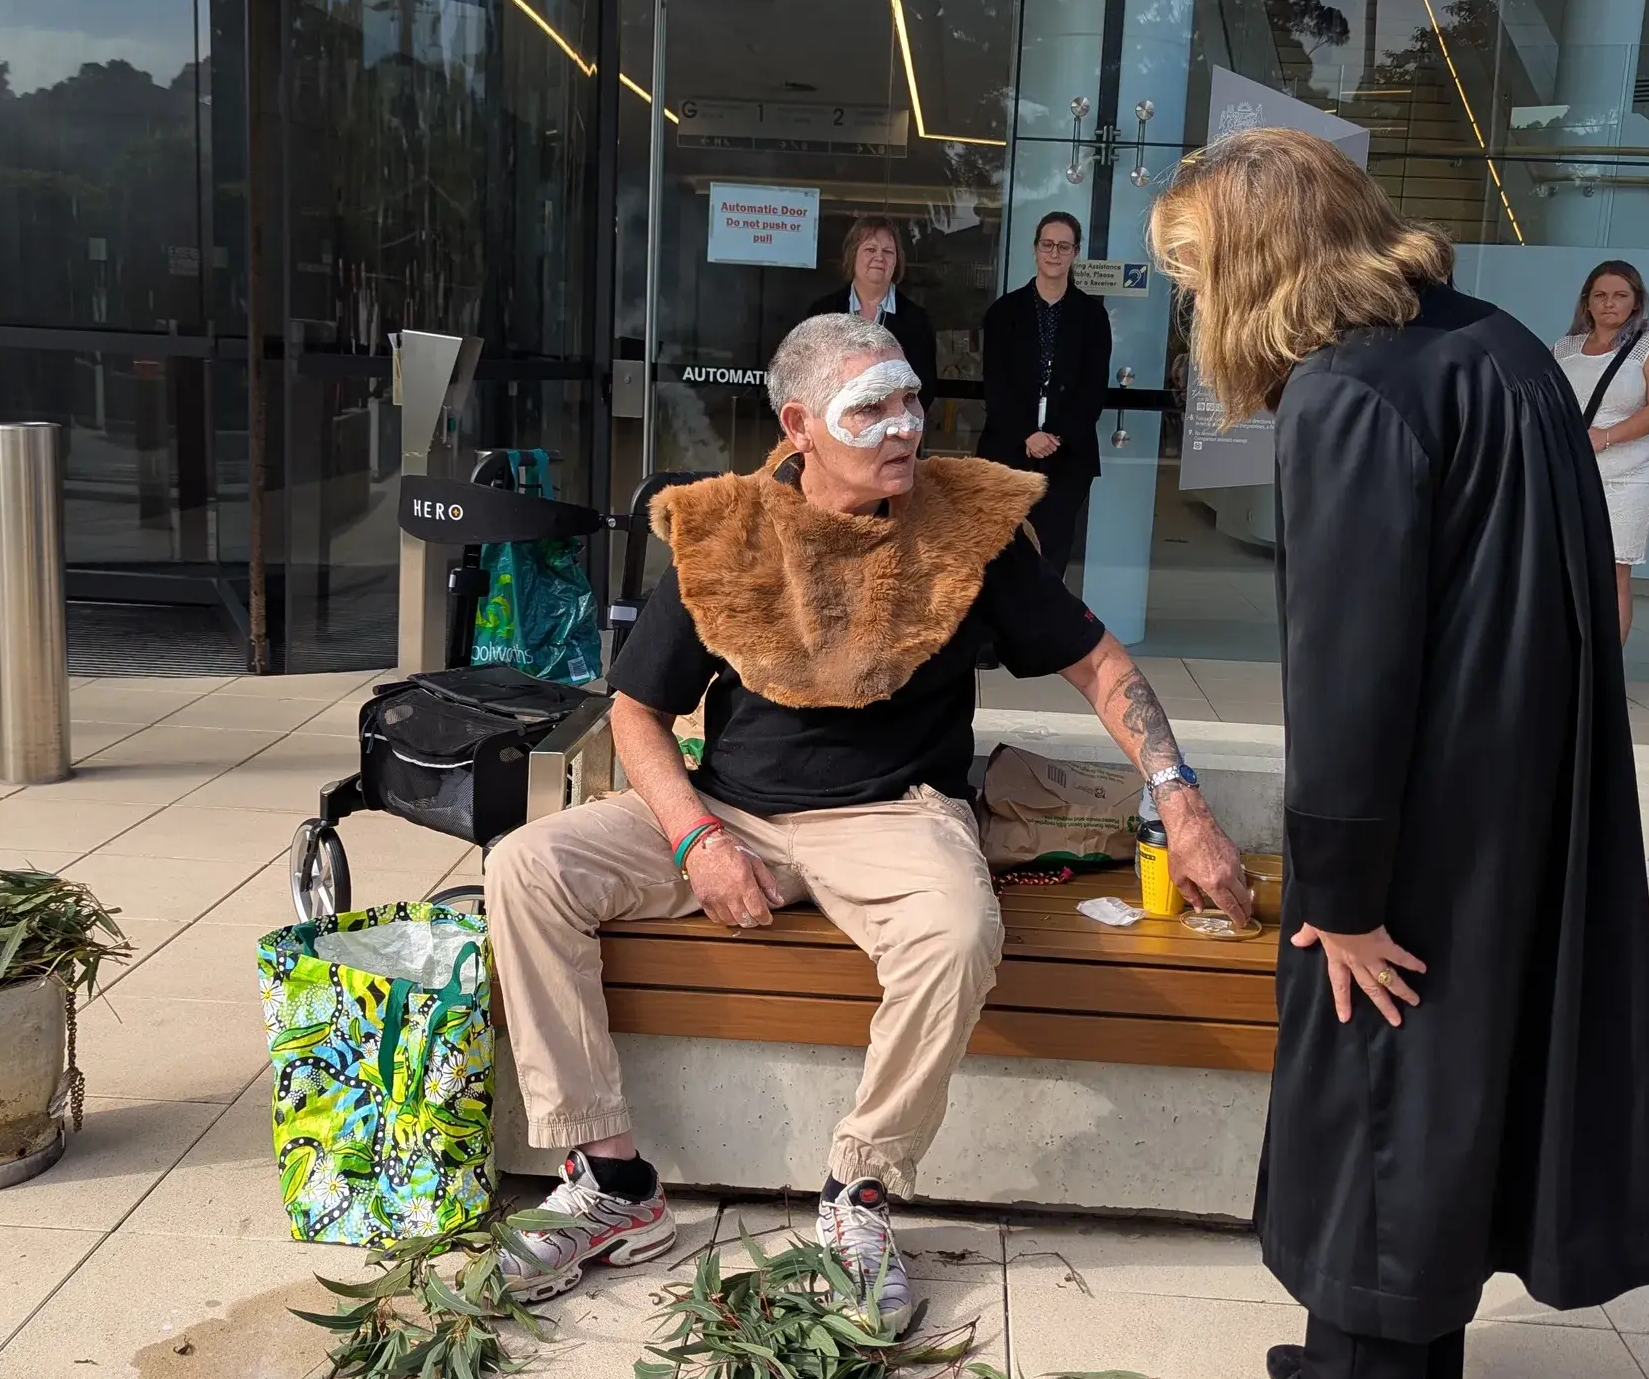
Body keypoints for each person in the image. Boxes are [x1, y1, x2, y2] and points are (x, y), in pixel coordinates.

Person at [485, 313, 1249, 1319]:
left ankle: (860, 1186)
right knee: (526, 866)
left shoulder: (965, 527)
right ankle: (614, 1180)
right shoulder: (726, 532)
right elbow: (636, 711)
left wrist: (1178, 798)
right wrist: (694, 837)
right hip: (728, 810)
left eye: (910, 400)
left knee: (959, 927)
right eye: (871, 407)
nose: (903, 428)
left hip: (894, 814)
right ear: (799, 424)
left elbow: (1101, 663)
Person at [1149, 129, 1649, 1379]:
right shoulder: (1487, 341)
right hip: (1514, 796)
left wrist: (1337, 887)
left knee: (1374, 1088)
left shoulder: (1349, 394)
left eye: (1198, 276)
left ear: (1255, 263)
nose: (1197, 308)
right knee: (1435, 1097)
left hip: (1417, 816)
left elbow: (1350, 668)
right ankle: (1353, 1368)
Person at [978, 211, 1113, 572]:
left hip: (1068, 456)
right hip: (1008, 447)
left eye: (1063, 246)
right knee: (1003, 551)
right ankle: (1006, 628)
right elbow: (995, 384)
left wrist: (1054, 437)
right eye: (1048, 245)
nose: (1055, 253)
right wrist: (1027, 433)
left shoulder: (1093, 317)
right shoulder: (1003, 312)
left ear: (1076, 253)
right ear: (1036, 249)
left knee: (1052, 553)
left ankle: (1046, 627)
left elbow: (1092, 389)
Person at [1552, 260, 1649, 640]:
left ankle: (1607, 672)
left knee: (1613, 570)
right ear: (1586, 303)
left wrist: (1605, 436)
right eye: (1600, 295)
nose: (1609, 303)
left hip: (1629, 475)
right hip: (1572, 473)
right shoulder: (1564, 347)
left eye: (1620, 295)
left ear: (1636, 302)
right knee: (1564, 568)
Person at [807, 214, 939, 393]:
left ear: (896, 261)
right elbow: (810, 378)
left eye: (888, 251)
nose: (879, 257)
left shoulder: (917, 320)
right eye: (870, 249)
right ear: (853, 255)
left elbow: (924, 387)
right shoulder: (822, 313)